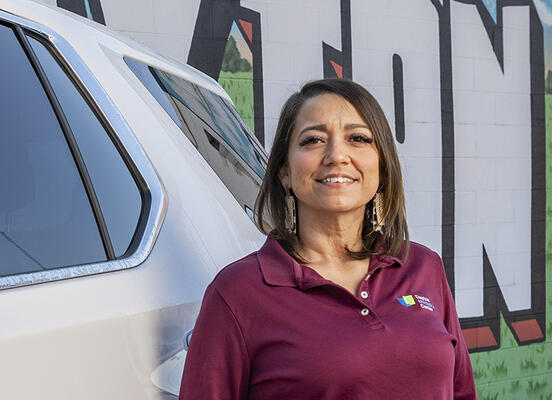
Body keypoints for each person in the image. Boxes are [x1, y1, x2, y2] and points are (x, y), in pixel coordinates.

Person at [179, 79, 477, 399]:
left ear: (381, 166)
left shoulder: (422, 266)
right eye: (314, 140)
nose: (337, 155)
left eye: (358, 138)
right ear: (284, 172)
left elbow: (462, 393)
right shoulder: (237, 292)